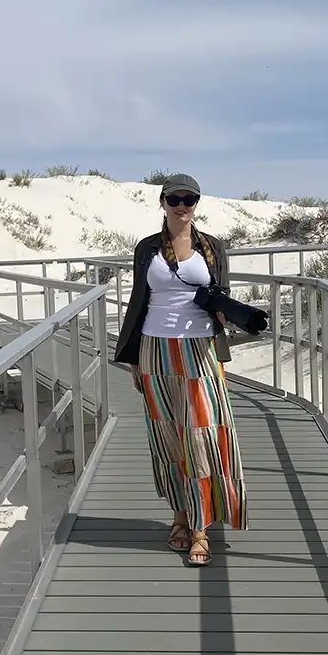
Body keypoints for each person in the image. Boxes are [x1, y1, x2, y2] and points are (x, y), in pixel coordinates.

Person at [113, 173, 248, 566]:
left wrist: (228, 312)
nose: (182, 205)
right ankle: (178, 516)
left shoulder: (212, 248)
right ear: (163, 202)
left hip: (199, 351)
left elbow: (219, 293)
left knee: (202, 434)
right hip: (155, 349)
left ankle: (201, 525)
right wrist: (135, 358)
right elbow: (139, 301)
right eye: (175, 198)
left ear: (197, 203)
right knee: (168, 436)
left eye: (189, 199)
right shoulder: (147, 249)